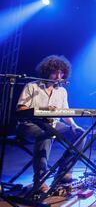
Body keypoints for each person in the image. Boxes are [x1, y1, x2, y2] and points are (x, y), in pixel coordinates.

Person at [16, 55, 85, 193]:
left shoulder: (62, 91)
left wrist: (73, 125)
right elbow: (21, 109)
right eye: (55, 72)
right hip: (29, 125)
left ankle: (63, 173)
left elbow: (64, 112)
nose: (58, 76)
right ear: (47, 71)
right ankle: (39, 180)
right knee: (46, 133)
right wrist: (42, 110)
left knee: (81, 134)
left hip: (53, 124)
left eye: (61, 73)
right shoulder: (32, 86)